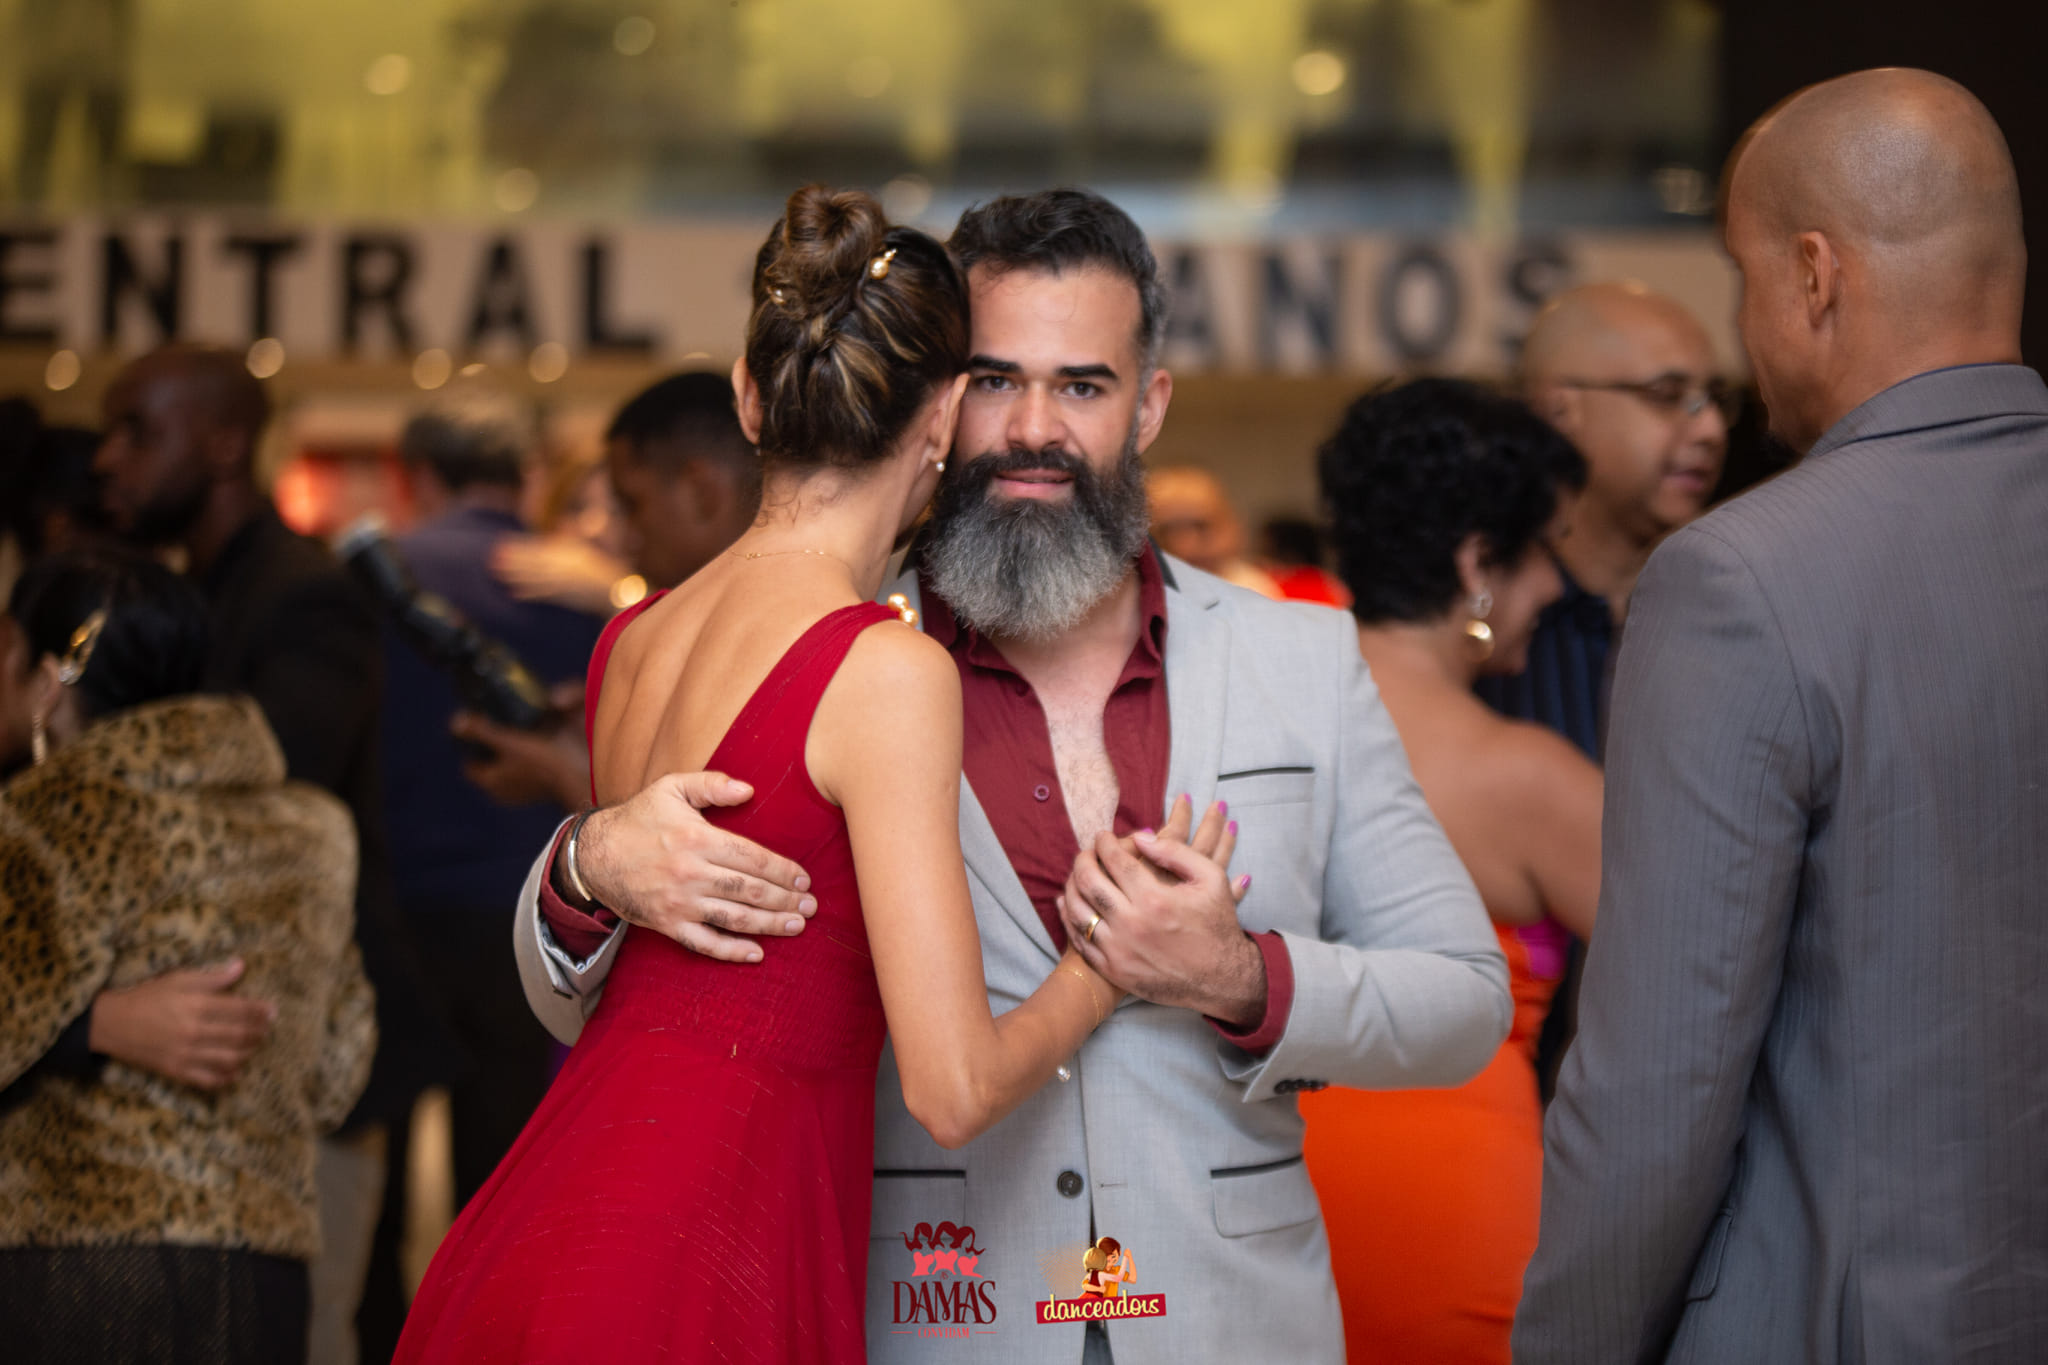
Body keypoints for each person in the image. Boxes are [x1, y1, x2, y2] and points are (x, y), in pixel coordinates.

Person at [512, 188, 1508, 1365]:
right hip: (931, 1322)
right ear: (937, 400)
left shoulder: (1299, 656)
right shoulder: (832, 651)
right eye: (995, 379)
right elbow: (618, 1013)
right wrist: (584, 864)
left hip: (1228, 1322)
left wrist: (1240, 977)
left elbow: (1462, 1001)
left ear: (1147, 407)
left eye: (1081, 387)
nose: (1034, 428)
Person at [397, 186, 1131, 1362]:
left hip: (558, 1191)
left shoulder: (632, 639)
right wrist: (1100, 967)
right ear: (945, 416)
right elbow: (952, 1085)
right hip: (709, 1230)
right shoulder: (886, 671)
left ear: (748, 395)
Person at [1516, 68, 2048, 1363]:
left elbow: (1657, 1086)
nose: (1744, 334)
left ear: (1814, 277)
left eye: (1743, 279)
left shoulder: (1742, 579)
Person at [91, 346, 450, 1365]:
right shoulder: (196, 586)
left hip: (301, 1045)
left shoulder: (304, 591)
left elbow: (270, 788)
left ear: (221, 444)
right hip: (215, 1046)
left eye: (137, 433)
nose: (110, 459)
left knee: (296, 1334)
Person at [0, 550, 374, 1365]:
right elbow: (339, 1073)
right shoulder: (314, 829)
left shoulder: (41, 819)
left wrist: (85, 1030)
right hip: (264, 1273)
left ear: (49, 679)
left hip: (76, 1262)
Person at [1302, 378, 1599, 1365]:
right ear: (1475, 562)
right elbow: (1703, 988)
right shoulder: (1526, 779)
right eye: (1540, 551)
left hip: (1257, 1208)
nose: (1552, 587)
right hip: (1451, 1219)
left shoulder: (1257, 713)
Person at [1477, 281, 1730, 1094]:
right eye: (1668, 396)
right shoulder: (1481, 645)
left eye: (1714, 399)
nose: (1710, 429)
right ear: (1560, 411)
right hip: (1503, 1095)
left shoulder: (1736, 624)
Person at [380, 400, 606, 1215]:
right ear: (524, 476)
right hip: (534, 918)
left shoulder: (380, 572)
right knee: (503, 1185)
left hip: (395, 909)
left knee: (377, 1184)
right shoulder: (582, 582)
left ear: (418, 476)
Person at [456, 372, 765, 812]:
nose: (622, 532)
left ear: (702, 491)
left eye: (629, 505)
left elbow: (687, 837)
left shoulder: (751, 627)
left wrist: (559, 770)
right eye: (577, 508)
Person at [1146, 463, 1282, 597]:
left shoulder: (1252, 588)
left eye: (1200, 526)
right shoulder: (1145, 589)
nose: (1184, 545)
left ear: (1229, 526)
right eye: (1166, 530)